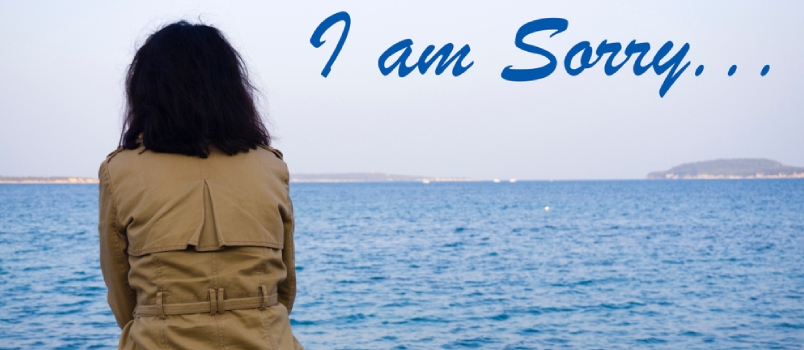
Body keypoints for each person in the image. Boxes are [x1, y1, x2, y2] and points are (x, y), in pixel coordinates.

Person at [98, 21, 303, 349]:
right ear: (231, 89)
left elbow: (122, 295)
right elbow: (286, 288)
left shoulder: (119, 170)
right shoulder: (271, 166)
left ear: (147, 89)